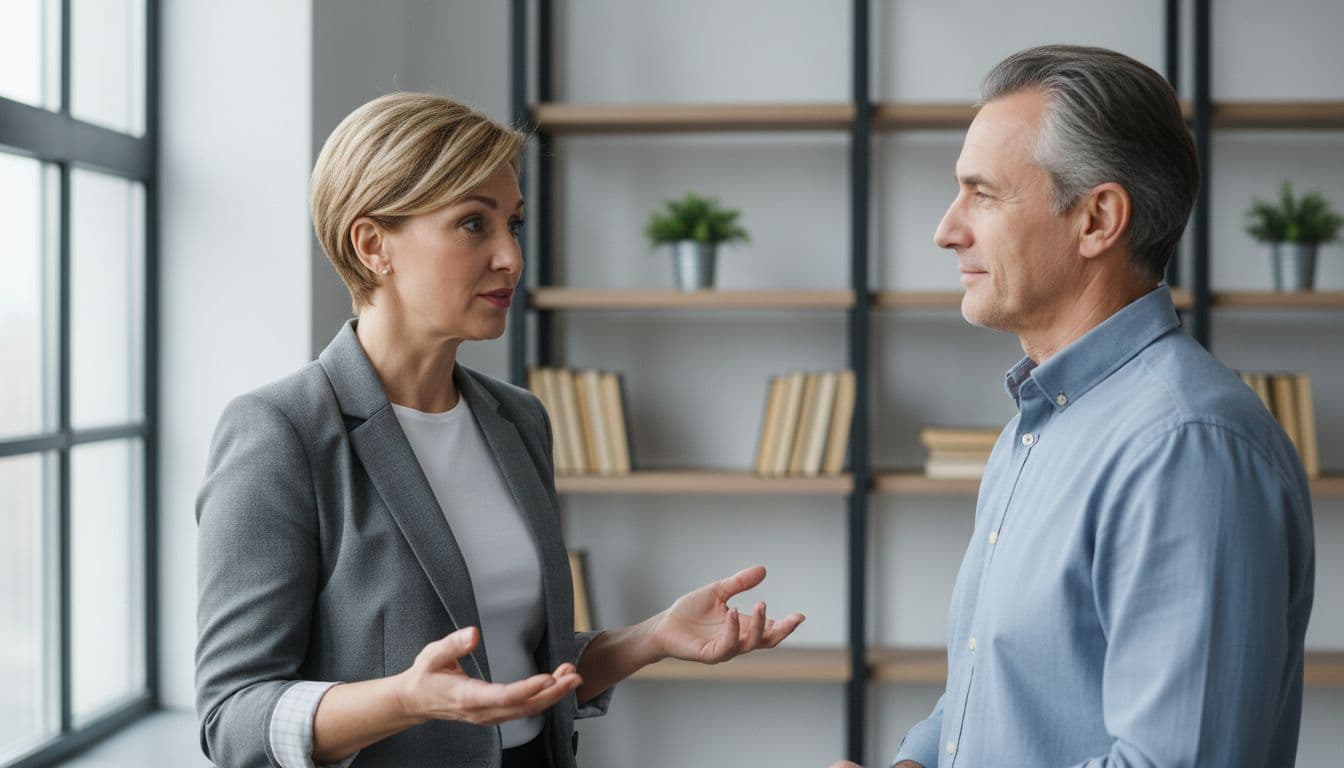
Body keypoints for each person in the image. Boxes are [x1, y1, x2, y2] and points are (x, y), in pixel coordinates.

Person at [195, 92, 805, 768]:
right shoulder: (281, 433)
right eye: (472, 225)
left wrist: (654, 636)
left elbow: (517, 670)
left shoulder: (517, 418)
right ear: (373, 246)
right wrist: (405, 699)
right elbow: (233, 717)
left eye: (513, 224)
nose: (511, 256)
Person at [833, 45, 1314, 768]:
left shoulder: (1185, 446)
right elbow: (996, 686)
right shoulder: (1040, 423)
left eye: (983, 194)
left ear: (1097, 220)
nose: (947, 229)